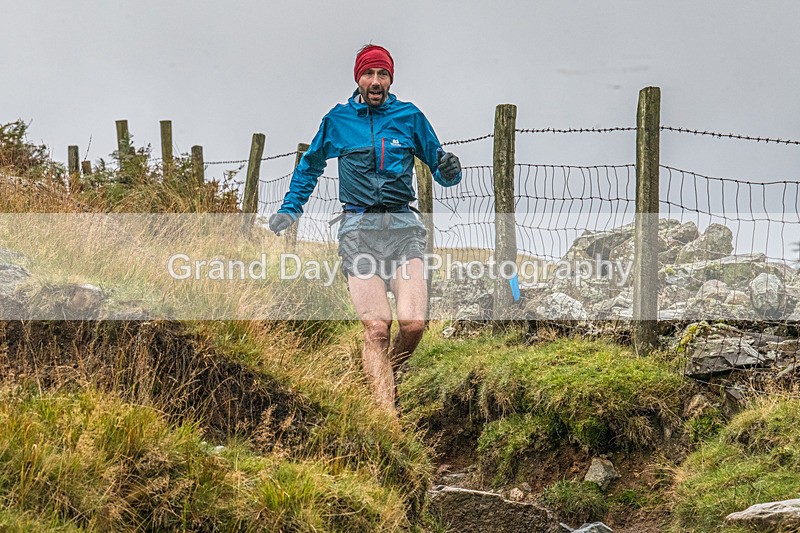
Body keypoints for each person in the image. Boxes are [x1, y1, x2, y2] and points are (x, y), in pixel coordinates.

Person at [269, 44, 462, 414]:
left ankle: (387, 373)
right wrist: (290, 210)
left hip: (404, 229)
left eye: (383, 74)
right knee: (376, 328)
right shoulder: (338, 121)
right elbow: (309, 166)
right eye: (369, 74)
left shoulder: (409, 117)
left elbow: (440, 167)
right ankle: (386, 419)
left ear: (391, 79)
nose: (376, 81)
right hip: (358, 232)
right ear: (358, 78)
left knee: (414, 324)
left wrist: (449, 171)